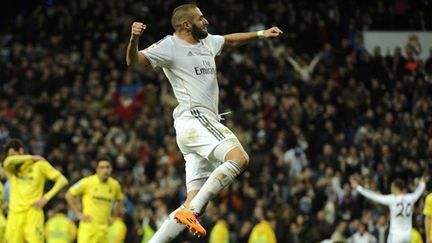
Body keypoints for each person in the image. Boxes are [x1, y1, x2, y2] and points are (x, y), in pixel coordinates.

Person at [126, 3, 282, 241]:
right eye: (200, 18)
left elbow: (229, 40)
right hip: (194, 119)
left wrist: (260, 34)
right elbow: (135, 62)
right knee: (239, 158)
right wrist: (134, 39)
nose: (206, 21)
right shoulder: (170, 45)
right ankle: (192, 211)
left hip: (195, 128)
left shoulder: (206, 42)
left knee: (195, 201)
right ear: (186, 25)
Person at [2, 138, 68, 243]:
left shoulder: (40, 165)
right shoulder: (12, 168)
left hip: (33, 213)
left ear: (21, 151)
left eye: (13, 154)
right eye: (10, 155)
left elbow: (62, 180)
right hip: (14, 214)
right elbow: (7, 162)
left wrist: (46, 198)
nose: (12, 158)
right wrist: (31, 157)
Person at [350, 177, 425, 243]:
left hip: (396, 235)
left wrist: (358, 188)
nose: (391, 188)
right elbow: (418, 192)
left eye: (392, 186)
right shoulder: (411, 198)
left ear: (396, 188)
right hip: (408, 235)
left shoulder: (392, 199)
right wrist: (422, 183)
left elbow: (374, 196)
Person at [65, 159, 123, 243]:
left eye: (107, 167)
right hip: (88, 229)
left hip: (104, 230)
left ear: (111, 169)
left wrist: (114, 217)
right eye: (102, 167)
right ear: (97, 170)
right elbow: (68, 195)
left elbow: (119, 200)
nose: (105, 170)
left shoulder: (115, 185)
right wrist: (78, 213)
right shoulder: (87, 182)